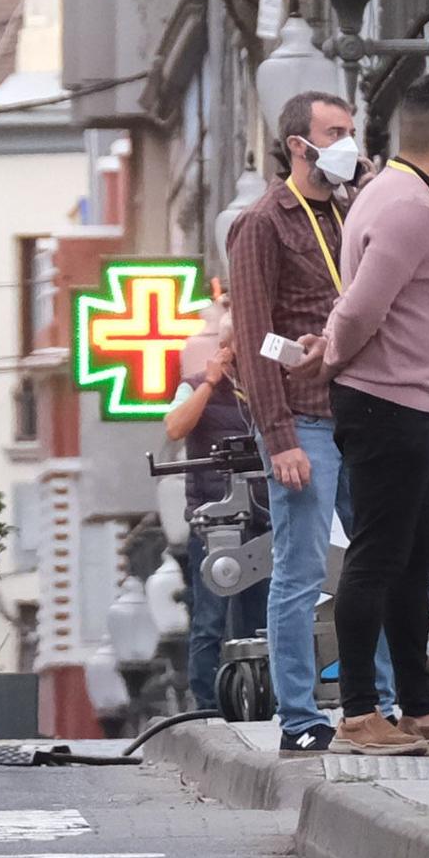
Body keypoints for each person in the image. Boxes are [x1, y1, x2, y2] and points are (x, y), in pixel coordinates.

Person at [293, 74, 429, 758]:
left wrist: (337, 352)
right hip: (385, 402)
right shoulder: (408, 203)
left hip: (406, 402)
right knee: (379, 556)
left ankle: (419, 707)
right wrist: (334, 354)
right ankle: (358, 712)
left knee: (419, 553)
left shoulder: (394, 193)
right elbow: (362, 305)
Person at [228, 91, 395, 756]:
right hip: (306, 421)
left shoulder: (351, 213)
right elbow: (251, 335)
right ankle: (299, 717)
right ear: (298, 145)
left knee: (378, 563)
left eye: (352, 131)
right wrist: (279, 437)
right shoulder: (263, 223)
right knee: (300, 572)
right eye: (335, 132)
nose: (348, 143)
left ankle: (375, 704)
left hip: (362, 414)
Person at [164, 298, 270, 711]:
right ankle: (207, 702)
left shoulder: (264, 391)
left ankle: (259, 698)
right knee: (209, 618)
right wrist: (209, 383)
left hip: (263, 520)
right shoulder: (195, 385)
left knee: (258, 618)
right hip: (214, 523)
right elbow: (174, 427)